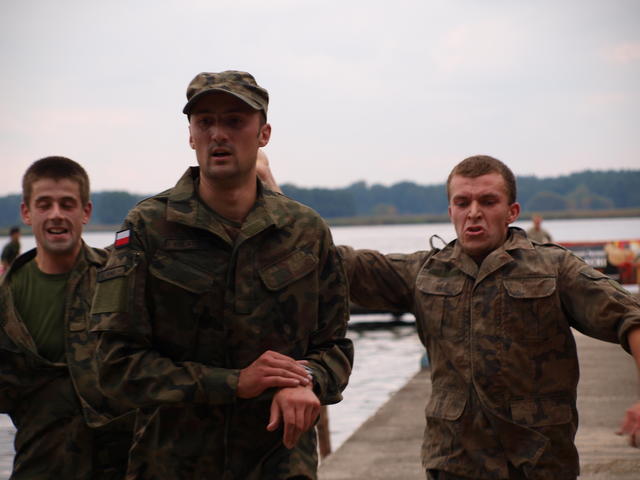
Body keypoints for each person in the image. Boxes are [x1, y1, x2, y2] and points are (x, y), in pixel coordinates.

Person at [258, 154, 640, 480]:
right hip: (455, 465)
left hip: (538, 464)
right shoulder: (424, 273)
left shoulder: (555, 270)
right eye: (462, 202)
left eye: (488, 201)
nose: (474, 212)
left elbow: (630, 319)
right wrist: (271, 191)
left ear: (512, 211)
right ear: (451, 211)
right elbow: (331, 260)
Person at [90, 70, 353, 480]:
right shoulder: (147, 228)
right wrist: (233, 383)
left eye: (234, 121)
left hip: (279, 463)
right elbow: (114, 366)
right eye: (205, 122)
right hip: (174, 465)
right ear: (191, 136)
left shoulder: (306, 231)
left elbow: (335, 347)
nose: (218, 134)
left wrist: (307, 380)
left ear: (263, 134)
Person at [0, 157, 133, 479]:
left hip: (124, 465)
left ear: (85, 212)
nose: (56, 214)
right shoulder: (7, 299)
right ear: (26, 213)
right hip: (40, 463)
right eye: (44, 204)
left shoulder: (123, 279)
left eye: (67, 204)